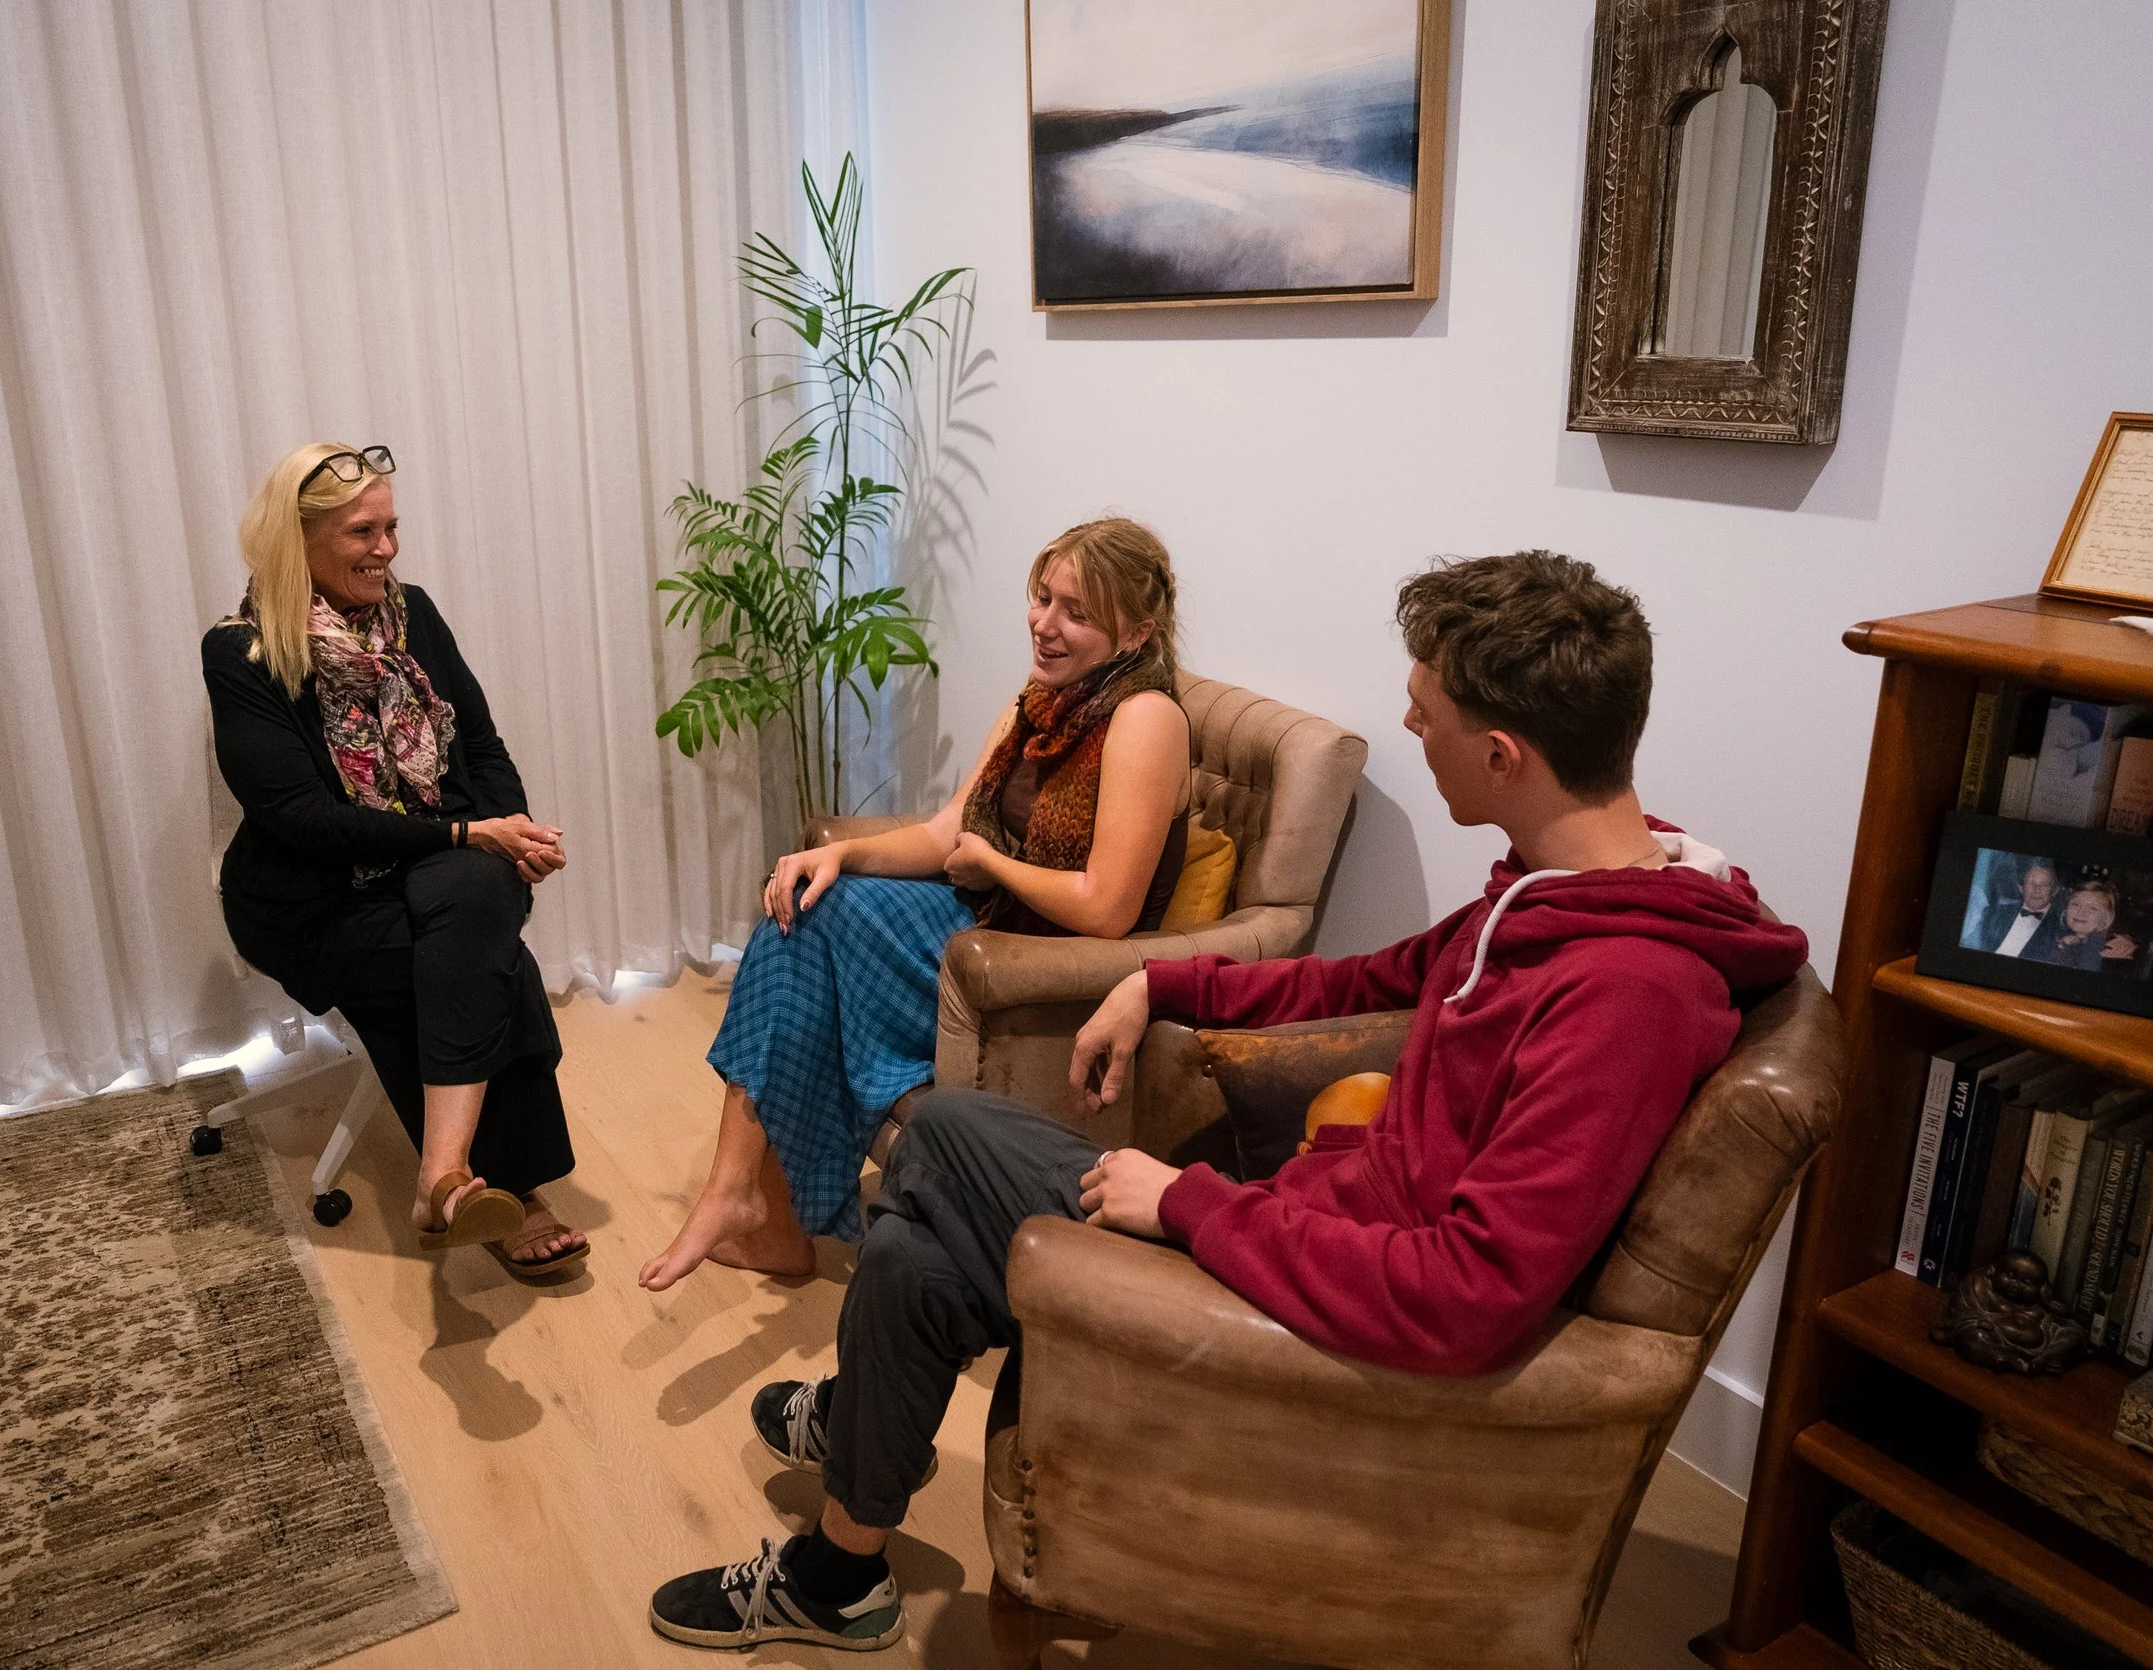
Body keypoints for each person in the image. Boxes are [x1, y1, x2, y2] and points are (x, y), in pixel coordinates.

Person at [647, 550, 1810, 1653]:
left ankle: (845, 1498)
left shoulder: (1624, 990)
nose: (1408, 724)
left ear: (1503, 753)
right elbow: (1366, 978)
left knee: (944, 1139)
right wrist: (1161, 976)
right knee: (910, 1262)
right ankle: (843, 1563)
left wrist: (1189, 1203)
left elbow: (1468, 1296)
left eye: (1428, 711)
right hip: (1307, 1216)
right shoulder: (1565, 889)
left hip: (1317, 1303)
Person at [636, 518, 1193, 1292]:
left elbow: (1106, 906)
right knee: (805, 908)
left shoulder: (1147, 719)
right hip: (985, 925)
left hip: (1044, 968)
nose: (1045, 623)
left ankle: (758, 1208)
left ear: (1136, 632)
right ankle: (749, 1204)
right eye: (1042, 598)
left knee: (819, 933)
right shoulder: (1041, 701)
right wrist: (839, 853)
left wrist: (992, 860)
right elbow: (945, 832)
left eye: (1077, 612)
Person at [203, 441, 588, 1278]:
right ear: (294, 541)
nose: (387, 549)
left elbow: (481, 748)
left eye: (392, 527)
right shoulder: (241, 654)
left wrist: (509, 828)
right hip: (309, 899)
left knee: (473, 910)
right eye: (362, 532)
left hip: (436, 870)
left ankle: (444, 1178)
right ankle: (511, 1190)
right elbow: (304, 821)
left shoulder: (414, 614)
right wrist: (463, 836)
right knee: (485, 964)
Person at [2029, 879, 2136, 969]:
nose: (2081, 912)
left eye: (2093, 908)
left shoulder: (2115, 949)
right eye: (2075, 905)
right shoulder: (2051, 937)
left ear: (2107, 918)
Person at [1976, 858, 2061, 957]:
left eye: (2045, 885)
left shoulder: (2060, 924)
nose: (2037, 890)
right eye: (2031, 883)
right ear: (2021, 888)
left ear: (2055, 891)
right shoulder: (1995, 912)